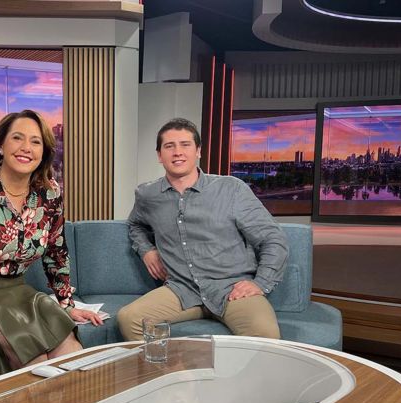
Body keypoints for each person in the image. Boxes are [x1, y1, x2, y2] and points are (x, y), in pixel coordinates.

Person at [0, 109, 102, 379]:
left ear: (44, 152)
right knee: (40, 366)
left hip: (20, 292)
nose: (26, 148)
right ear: (1, 146)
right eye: (18, 138)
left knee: (73, 358)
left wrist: (66, 303)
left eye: (36, 141)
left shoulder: (49, 193)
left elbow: (56, 253)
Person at [117, 118, 288, 341]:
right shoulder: (148, 195)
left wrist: (260, 283)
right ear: (160, 155)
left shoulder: (231, 189)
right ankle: (174, 376)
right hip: (181, 289)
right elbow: (135, 224)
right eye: (169, 146)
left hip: (231, 289)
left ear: (198, 150)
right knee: (129, 318)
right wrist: (146, 250)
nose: (177, 152)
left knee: (264, 334)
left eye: (185, 144)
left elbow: (273, 239)